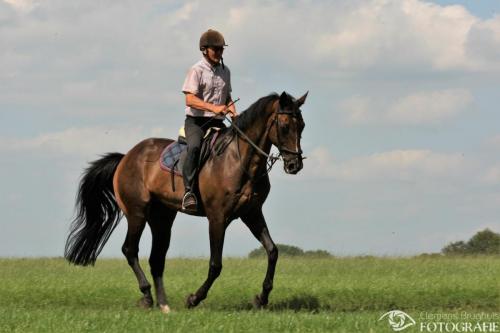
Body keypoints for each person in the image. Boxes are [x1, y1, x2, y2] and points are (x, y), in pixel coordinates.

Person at [181, 29, 237, 212]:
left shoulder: (225, 71)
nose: (220, 53)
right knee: (195, 147)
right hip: (196, 122)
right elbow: (190, 99)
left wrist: (233, 112)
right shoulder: (196, 70)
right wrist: (213, 108)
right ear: (205, 49)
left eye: (221, 49)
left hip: (217, 123)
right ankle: (188, 192)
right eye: (216, 49)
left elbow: (227, 96)